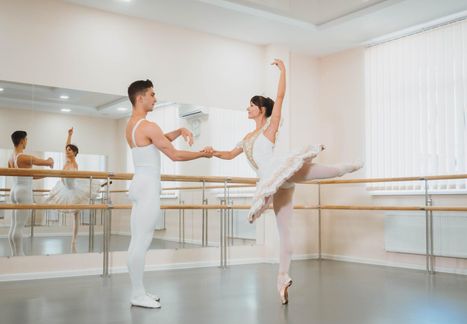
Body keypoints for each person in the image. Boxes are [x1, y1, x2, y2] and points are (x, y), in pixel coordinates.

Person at [208, 59, 362, 304]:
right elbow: (229, 154)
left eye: (250, 106)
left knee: (324, 172)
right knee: (284, 231)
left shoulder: (269, 128)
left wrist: (283, 71)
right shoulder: (246, 137)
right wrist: (212, 152)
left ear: (260, 109)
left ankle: (347, 167)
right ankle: (282, 278)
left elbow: (279, 98)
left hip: (282, 172)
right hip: (271, 183)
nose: (247, 109)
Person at [125, 79, 212, 309]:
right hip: (148, 187)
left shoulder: (133, 125)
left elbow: (158, 142)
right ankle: (136, 294)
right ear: (140, 97)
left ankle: (139, 290)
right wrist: (202, 154)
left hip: (139, 184)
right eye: (152, 95)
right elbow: (173, 155)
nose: (155, 98)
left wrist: (180, 129)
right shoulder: (148, 126)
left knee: (137, 240)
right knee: (142, 241)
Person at [46, 127, 100, 252]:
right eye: (66, 150)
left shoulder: (73, 163)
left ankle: (74, 240)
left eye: (69, 150)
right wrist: (69, 135)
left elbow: (68, 147)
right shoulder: (67, 160)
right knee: (57, 203)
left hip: (74, 189)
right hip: (65, 188)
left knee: (76, 216)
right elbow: (66, 146)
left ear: (74, 152)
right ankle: (73, 240)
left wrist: (69, 140)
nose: (67, 151)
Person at [7, 130, 54, 256]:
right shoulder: (23, 157)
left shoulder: (11, 157)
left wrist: (47, 175)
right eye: (26, 139)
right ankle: (19, 254)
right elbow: (44, 162)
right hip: (23, 192)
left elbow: (30, 176)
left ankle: (14, 254)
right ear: (22, 140)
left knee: (14, 224)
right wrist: (50, 161)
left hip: (15, 190)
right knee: (19, 225)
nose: (27, 141)